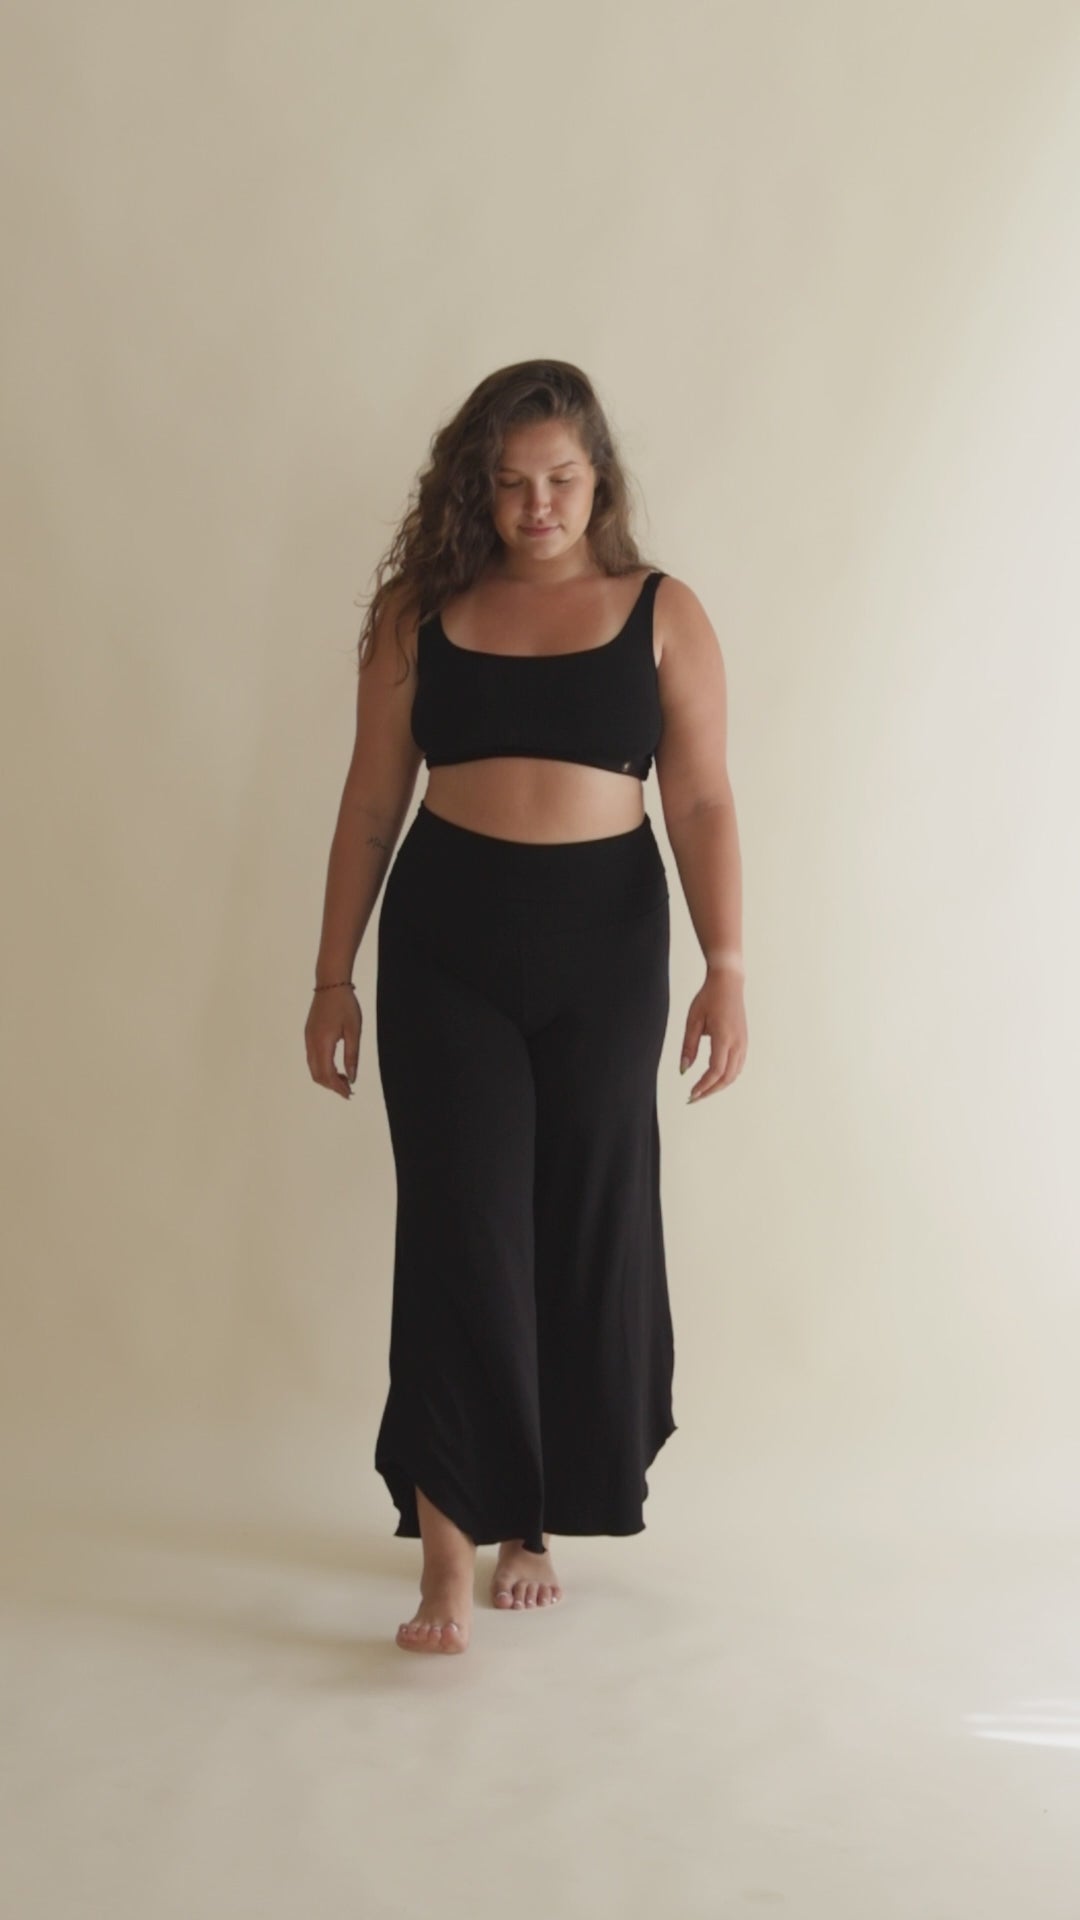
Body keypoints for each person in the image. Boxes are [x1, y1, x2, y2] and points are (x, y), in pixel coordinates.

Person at [304, 359, 747, 1656]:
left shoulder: (663, 612)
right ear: (476, 491)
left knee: (578, 1223)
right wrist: (331, 976)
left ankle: (531, 1518)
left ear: (599, 479)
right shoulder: (419, 614)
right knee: (461, 1230)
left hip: (607, 948)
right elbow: (370, 801)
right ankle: (448, 1549)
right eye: (508, 484)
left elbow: (702, 798)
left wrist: (728, 963)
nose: (536, 505)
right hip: (447, 945)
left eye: (559, 479)